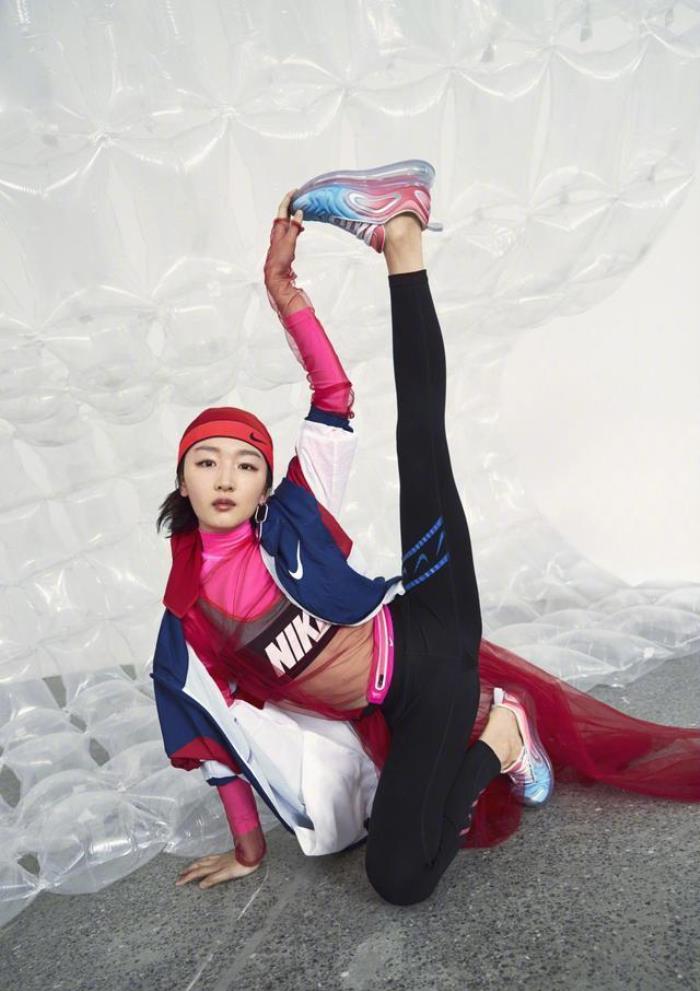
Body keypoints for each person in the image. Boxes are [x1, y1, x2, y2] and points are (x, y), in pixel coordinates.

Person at [153, 161, 700, 906]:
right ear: (183, 478)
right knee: (398, 878)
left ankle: (400, 237)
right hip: (410, 706)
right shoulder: (185, 619)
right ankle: (501, 738)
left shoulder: (292, 514)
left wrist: (285, 293)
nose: (225, 477)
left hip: (430, 622)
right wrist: (249, 851)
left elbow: (333, 394)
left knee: (420, 436)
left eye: (246, 464)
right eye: (206, 462)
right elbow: (211, 736)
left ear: (262, 484)